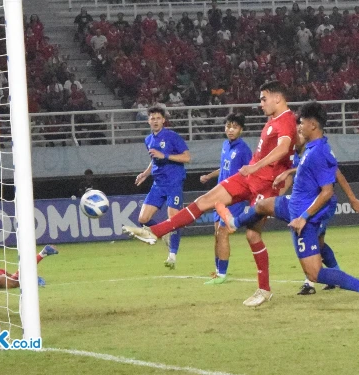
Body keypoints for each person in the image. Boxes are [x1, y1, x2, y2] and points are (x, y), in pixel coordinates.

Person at [123, 81, 298, 307]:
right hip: (248, 178)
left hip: (265, 185)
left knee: (252, 236)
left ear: (277, 98)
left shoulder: (287, 120)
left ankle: (264, 289)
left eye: (263, 98)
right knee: (204, 200)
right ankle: (154, 232)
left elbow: (284, 149)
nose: (260, 103)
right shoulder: (272, 121)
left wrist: (266, 170)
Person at [216, 102, 359, 311]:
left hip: (302, 217)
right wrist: (289, 172)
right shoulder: (313, 147)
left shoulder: (318, 153)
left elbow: (327, 192)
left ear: (313, 125)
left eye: (302, 123)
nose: (299, 126)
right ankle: (234, 222)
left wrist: (304, 217)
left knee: (314, 273)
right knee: (261, 205)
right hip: (292, 205)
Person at [239, 122, 359, 295]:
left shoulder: (318, 151)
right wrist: (286, 180)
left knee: (314, 246)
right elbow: (298, 175)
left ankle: (317, 281)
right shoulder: (299, 154)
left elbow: (335, 175)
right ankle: (334, 275)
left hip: (320, 207)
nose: (295, 136)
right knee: (318, 244)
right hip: (303, 204)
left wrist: (351, 198)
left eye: (298, 131)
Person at [135, 106, 191, 269]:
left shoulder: (172, 136)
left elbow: (187, 158)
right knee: (143, 219)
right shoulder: (148, 140)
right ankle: (163, 232)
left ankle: (172, 256)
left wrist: (165, 156)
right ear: (148, 121)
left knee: (174, 220)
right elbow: (154, 160)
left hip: (174, 183)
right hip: (158, 184)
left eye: (158, 118)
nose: (155, 121)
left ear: (163, 120)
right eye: (152, 118)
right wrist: (145, 173)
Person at [199, 113, 252, 285]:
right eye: (228, 126)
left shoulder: (244, 150)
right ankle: (217, 272)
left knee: (223, 232)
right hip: (221, 195)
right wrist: (209, 176)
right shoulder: (225, 145)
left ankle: (222, 275)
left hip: (234, 197)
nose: (230, 130)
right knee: (217, 234)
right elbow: (224, 167)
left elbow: (251, 173)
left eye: (235, 127)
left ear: (241, 130)